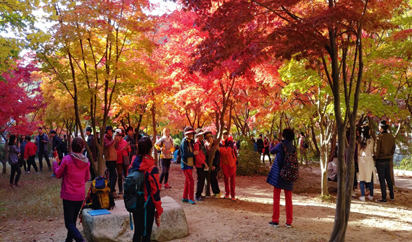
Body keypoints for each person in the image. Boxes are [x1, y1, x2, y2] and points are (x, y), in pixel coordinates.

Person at [53, 137, 90, 242]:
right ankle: (69, 239)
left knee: (69, 223)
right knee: (72, 221)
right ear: (83, 148)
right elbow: (87, 178)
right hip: (80, 195)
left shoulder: (67, 159)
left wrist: (55, 163)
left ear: (71, 147)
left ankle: (80, 240)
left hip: (68, 194)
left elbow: (58, 174)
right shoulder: (86, 162)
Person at [130, 137, 163, 242]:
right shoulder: (152, 168)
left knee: (137, 231)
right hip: (147, 204)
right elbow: (155, 191)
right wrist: (158, 210)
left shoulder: (133, 164)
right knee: (146, 233)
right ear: (150, 149)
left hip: (135, 202)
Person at [267, 128, 296, 228]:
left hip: (279, 175)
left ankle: (275, 220)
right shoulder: (293, 147)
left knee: (276, 197)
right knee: (289, 199)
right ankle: (289, 222)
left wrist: (271, 143)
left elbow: (271, 151)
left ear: (284, 136)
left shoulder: (280, 145)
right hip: (289, 174)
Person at [374, 120, 395, 203]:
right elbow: (393, 147)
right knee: (388, 179)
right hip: (388, 160)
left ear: (381, 127)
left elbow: (376, 150)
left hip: (380, 160)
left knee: (382, 180)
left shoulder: (379, 137)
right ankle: (392, 196)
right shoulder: (391, 136)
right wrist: (390, 154)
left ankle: (384, 197)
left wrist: (376, 157)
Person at [357, 126, 375, 201]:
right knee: (370, 178)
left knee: (361, 178)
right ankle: (371, 195)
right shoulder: (371, 140)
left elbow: (358, 151)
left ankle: (363, 196)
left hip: (361, 160)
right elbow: (372, 150)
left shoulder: (359, 140)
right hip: (369, 159)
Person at [180, 126, 198, 204]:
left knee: (188, 181)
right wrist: (193, 153)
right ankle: (191, 198)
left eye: (191, 134)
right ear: (185, 134)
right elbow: (184, 154)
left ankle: (184, 197)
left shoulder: (190, 141)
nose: (190, 135)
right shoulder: (184, 142)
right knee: (191, 180)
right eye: (189, 134)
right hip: (185, 164)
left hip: (190, 164)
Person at [220, 129, 237, 201]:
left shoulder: (230, 143)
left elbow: (228, 151)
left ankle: (233, 195)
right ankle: (227, 194)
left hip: (232, 164)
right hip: (224, 164)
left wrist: (219, 149)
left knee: (232, 179)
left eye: (226, 134)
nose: (224, 135)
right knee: (226, 179)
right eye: (223, 134)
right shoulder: (220, 143)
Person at [104, 125, 119, 198]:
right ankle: (112, 191)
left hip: (113, 159)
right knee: (114, 175)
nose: (112, 133)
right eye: (111, 131)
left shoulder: (111, 139)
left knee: (112, 176)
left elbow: (115, 147)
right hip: (109, 159)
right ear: (108, 131)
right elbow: (107, 145)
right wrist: (114, 141)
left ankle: (111, 190)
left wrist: (117, 142)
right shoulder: (105, 138)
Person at [204, 131, 220, 198]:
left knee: (213, 178)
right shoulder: (205, 145)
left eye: (210, 136)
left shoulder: (215, 144)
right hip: (207, 165)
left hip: (214, 164)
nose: (209, 138)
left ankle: (217, 192)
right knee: (208, 178)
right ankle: (210, 192)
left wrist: (215, 165)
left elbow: (218, 156)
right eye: (207, 137)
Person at [194, 129, 208, 201]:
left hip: (202, 164)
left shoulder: (202, 144)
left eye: (202, 135)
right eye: (200, 135)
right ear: (197, 136)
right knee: (200, 180)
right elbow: (197, 157)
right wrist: (204, 163)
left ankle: (200, 194)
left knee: (202, 180)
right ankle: (197, 195)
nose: (201, 136)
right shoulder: (197, 144)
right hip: (200, 165)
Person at [115, 129, 131, 195]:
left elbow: (129, 150)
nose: (119, 137)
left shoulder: (125, 142)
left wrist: (127, 147)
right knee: (120, 175)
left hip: (125, 160)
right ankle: (120, 189)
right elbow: (116, 153)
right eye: (118, 135)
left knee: (126, 175)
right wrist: (123, 149)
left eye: (121, 136)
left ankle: (127, 188)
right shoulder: (115, 144)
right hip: (119, 161)